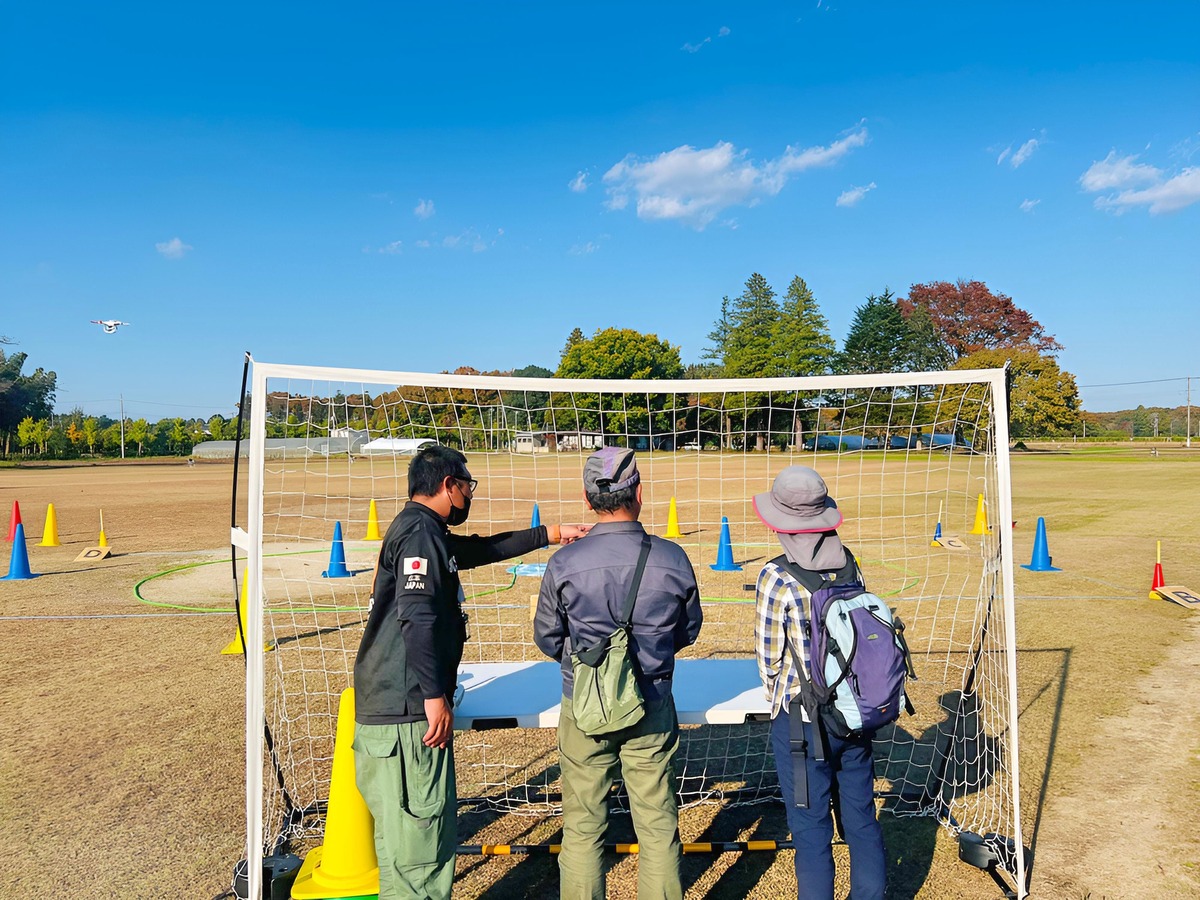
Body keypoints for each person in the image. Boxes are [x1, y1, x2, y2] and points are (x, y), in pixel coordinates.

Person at [352, 444, 589, 900]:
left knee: (406, 849)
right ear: (448, 485)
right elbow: (417, 616)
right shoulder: (420, 535)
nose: (469, 495)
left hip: (395, 707)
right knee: (420, 848)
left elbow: (481, 550)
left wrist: (551, 533)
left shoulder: (423, 529)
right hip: (405, 713)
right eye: (466, 486)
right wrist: (432, 694)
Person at [534, 446, 703, 900]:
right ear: (639, 493)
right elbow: (687, 630)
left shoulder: (564, 563)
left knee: (582, 826)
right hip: (651, 700)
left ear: (587, 499)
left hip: (584, 703)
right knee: (657, 823)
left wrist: (589, 661)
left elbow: (547, 637)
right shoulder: (672, 558)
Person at [752, 465, 887, 900]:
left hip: (802, 720)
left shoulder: (776, 576)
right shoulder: (850, 564)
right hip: (855, 711)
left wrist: (779, 698)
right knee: (861, 817)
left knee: (810, 827)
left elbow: (769, 659)